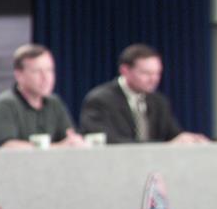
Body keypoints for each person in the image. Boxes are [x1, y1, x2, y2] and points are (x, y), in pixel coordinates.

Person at [80, 44, 209, 145]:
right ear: (125, 70)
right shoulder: (100, 100)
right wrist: (164, 146)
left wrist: (188, 140)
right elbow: (108, 142)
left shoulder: (158, 102)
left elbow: (172, 135)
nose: (154, 79)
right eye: (146, 73)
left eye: (157, 73)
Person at [0, 44, 84, 148]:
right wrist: (58, 147)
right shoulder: (4, 105)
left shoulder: (54, 103)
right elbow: (8, 146)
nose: (46, 78)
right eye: (37, 71)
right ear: (19, 75)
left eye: (49, 70)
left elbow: (70, 138)